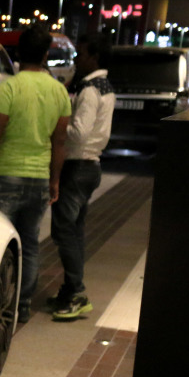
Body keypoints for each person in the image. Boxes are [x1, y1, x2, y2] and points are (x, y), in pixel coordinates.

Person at [0, 26, 71, 323]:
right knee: (30, 243)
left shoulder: (9, 89)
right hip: (38, 179)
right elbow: (59, 141)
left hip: (6, 176)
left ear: (19, 54)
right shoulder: (59, 91)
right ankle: (21, 305)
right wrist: (54, 180)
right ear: (46, 54)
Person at [49, 32, 116, 321]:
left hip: (78, 167)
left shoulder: (90, 89)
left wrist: (55, 126)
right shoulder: (106, 86)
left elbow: (78, 133)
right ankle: (70, 289)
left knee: (65, 231)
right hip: (91, 167)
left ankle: (76, 292)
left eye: (82, 54)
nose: (77, 59)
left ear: (95, 57)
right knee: (73, 231)